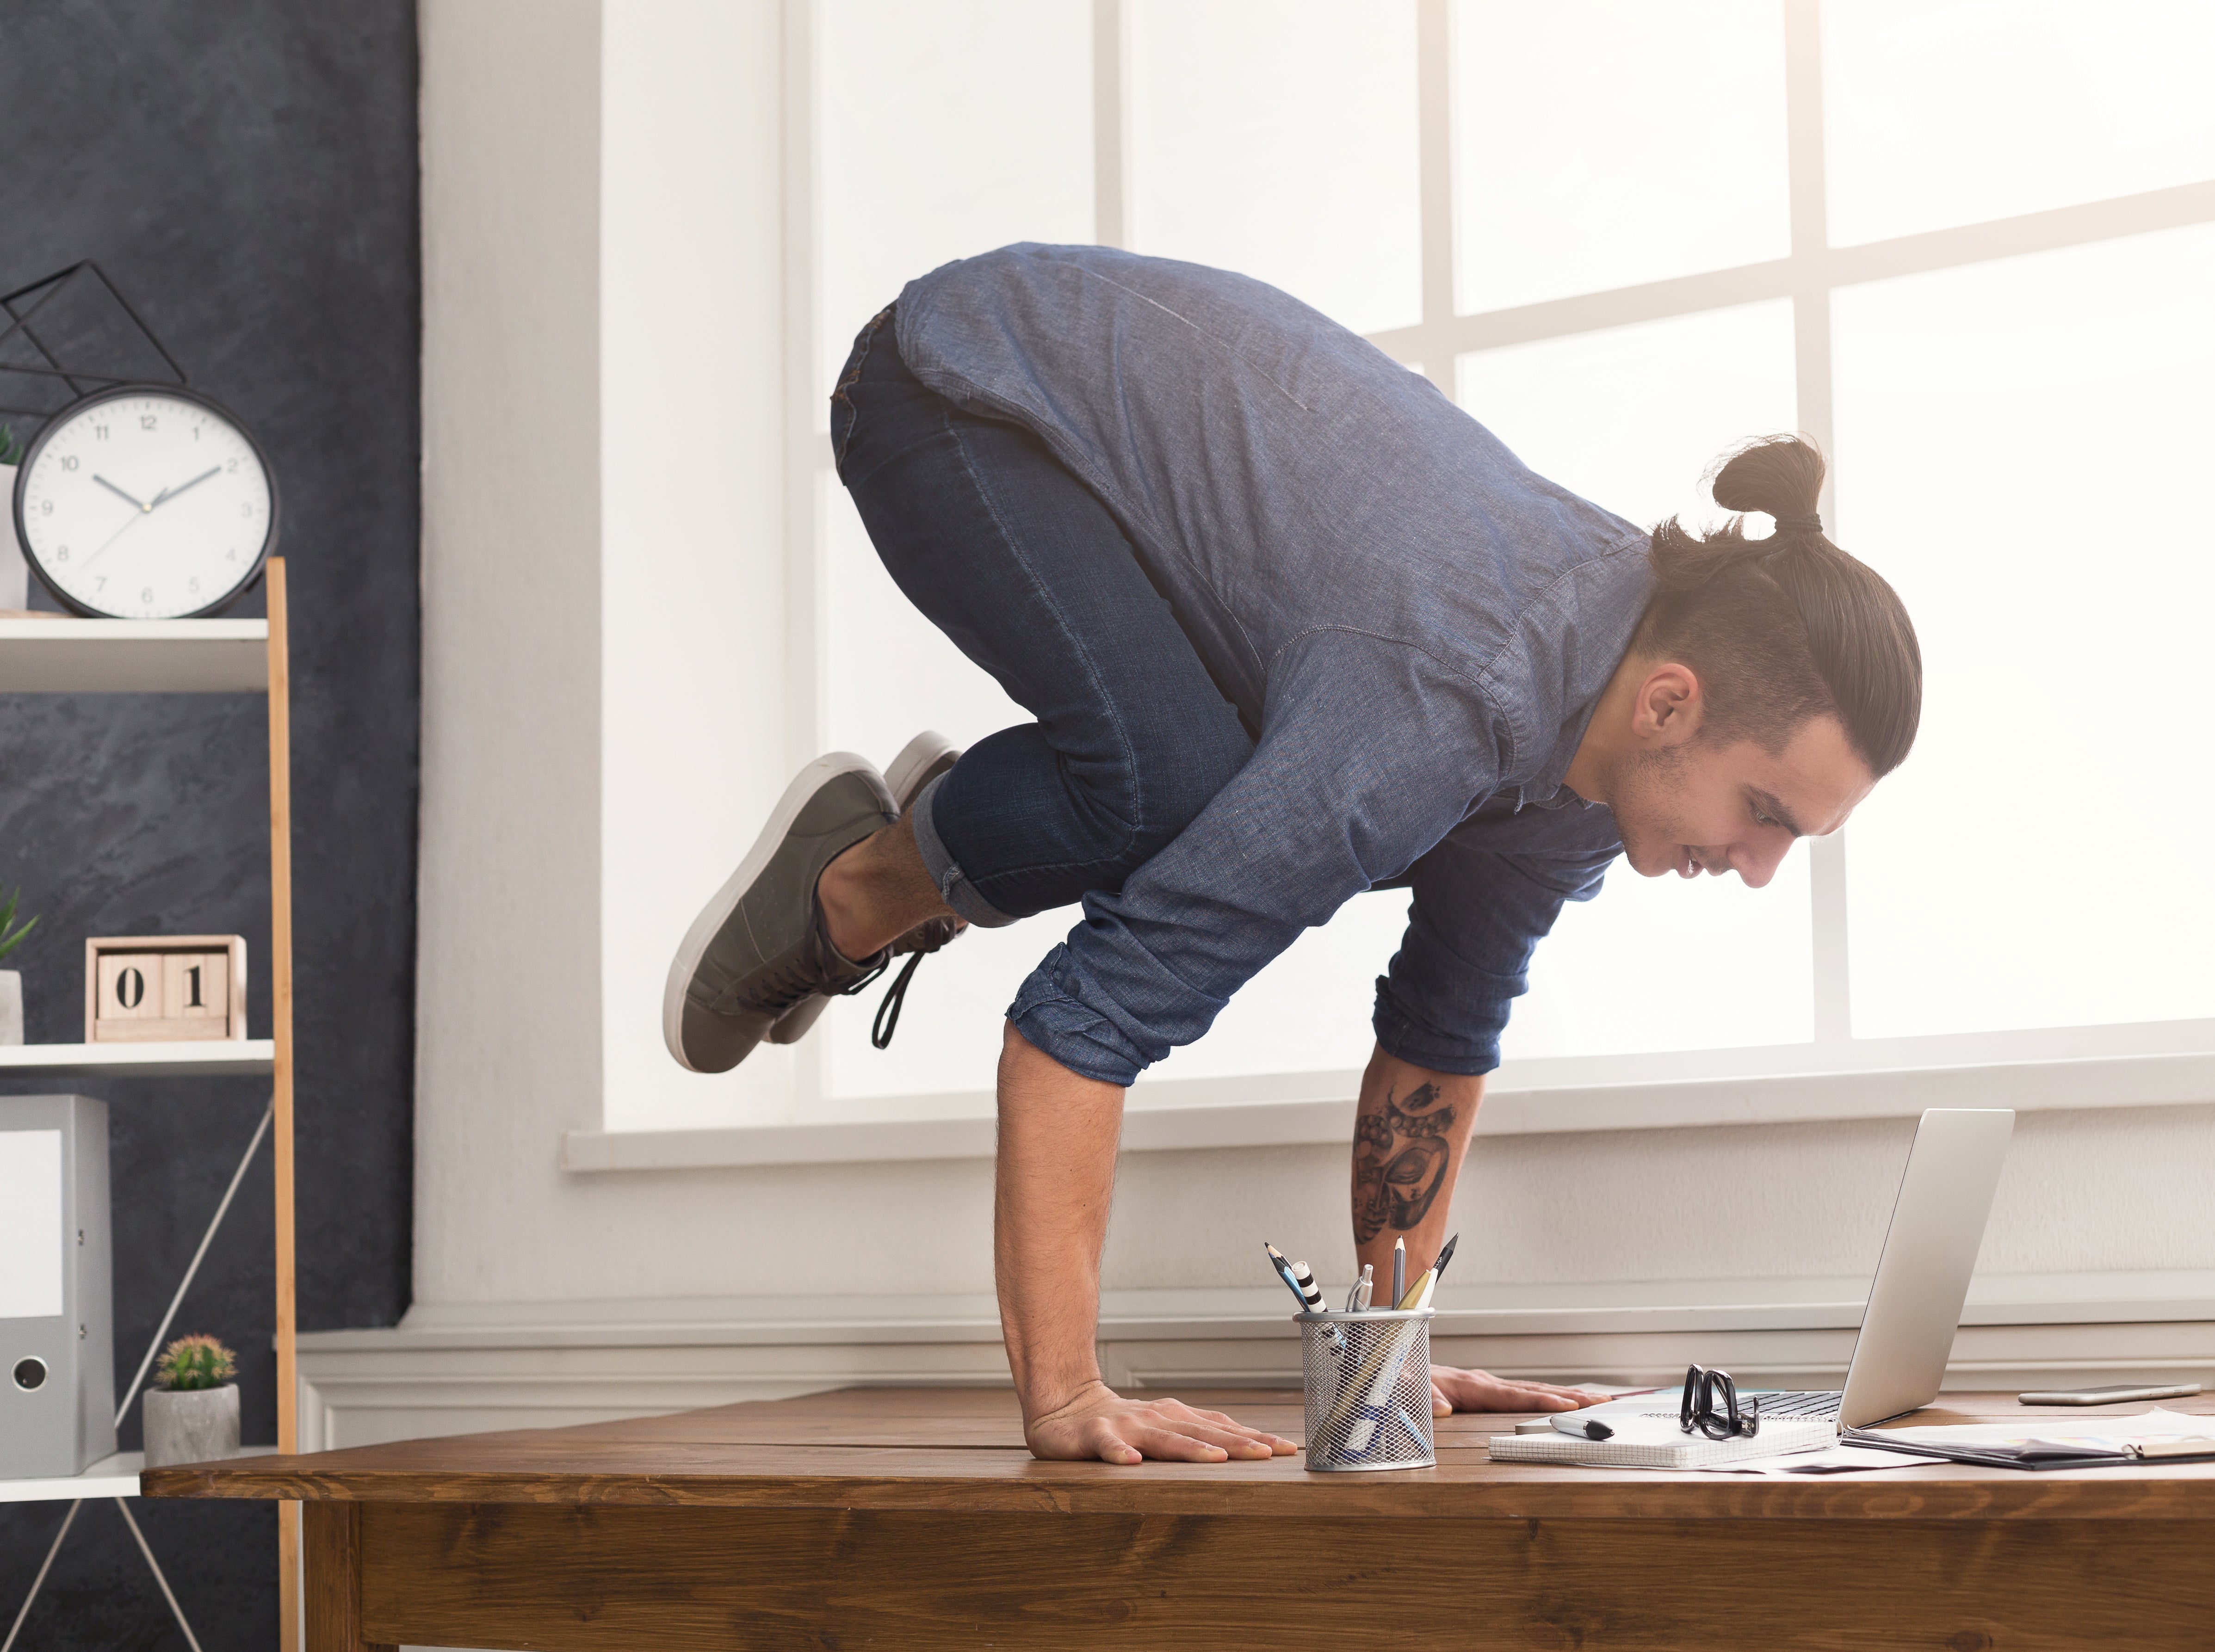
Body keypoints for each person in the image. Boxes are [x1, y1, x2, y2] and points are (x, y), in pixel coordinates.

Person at [663, 244, 1921, 1467]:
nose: (1757, 866)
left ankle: (974, 818)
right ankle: (859, 880)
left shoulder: (1590, 746)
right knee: (1166, 798)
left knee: (1196, 795)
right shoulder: (1442, 701)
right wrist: (1065, 1395)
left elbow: (1442, 1031)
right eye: (1763, 812)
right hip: (961, 387)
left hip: (1141, 490)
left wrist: (1391, 1349)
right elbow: (1081, 1020)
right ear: (1669, 704)